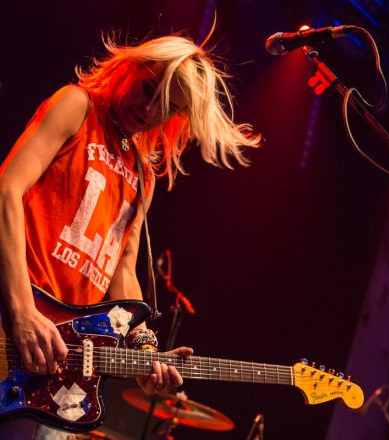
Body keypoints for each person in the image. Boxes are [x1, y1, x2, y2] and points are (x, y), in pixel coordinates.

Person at [0, 33, 260, 439]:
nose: (151, 109)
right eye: (148, 88)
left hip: (54, 358)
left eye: (168, 106)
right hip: (14, 316)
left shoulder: (143, 174)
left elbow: (121, 270)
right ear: (129, 67)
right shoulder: (77, 106)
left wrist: (143, 348)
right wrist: (21, 311)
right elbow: (6, 190)